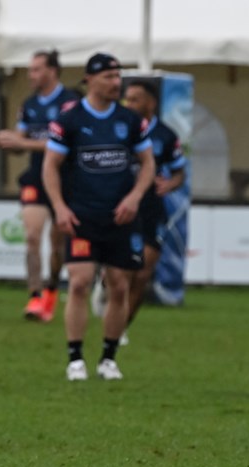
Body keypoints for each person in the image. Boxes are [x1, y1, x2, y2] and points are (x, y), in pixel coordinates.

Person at [42, 53, 155, 381]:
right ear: (89, 80)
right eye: (108, 76)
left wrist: (135, 197)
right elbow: (51, 165)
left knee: (119, 286)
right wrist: (61, 207)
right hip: (82, 217)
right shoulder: (71, 120)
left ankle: (108, 357)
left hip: (121, 218)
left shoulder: (130, 120)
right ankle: (75, 358)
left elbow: (148, 163)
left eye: (118, 76)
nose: (115, 82)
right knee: (79, 282)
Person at [0, 50, 78, 322]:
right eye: (30, 70)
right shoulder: (29, 105)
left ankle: (52, 291)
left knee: (57, 244)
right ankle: (35, 297)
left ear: (52, 71)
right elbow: (19, 143)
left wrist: (24, 143)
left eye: (36, 70)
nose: (31, 75)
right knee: (32, 237)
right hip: (36, 177)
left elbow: (68, 145)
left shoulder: (70, 102)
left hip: (66, 179)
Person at [100, 80, 186, 340]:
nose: (129, 104)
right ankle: (106, 294)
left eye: (136, 99)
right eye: (127, 99)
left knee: (143, 275)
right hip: (121, 208)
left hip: (150, 211)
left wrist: (170, 183)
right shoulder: (117, 128)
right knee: (122, 273)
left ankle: (122, 327)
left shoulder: (166, 136)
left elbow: (179, 172)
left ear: (151, 103)